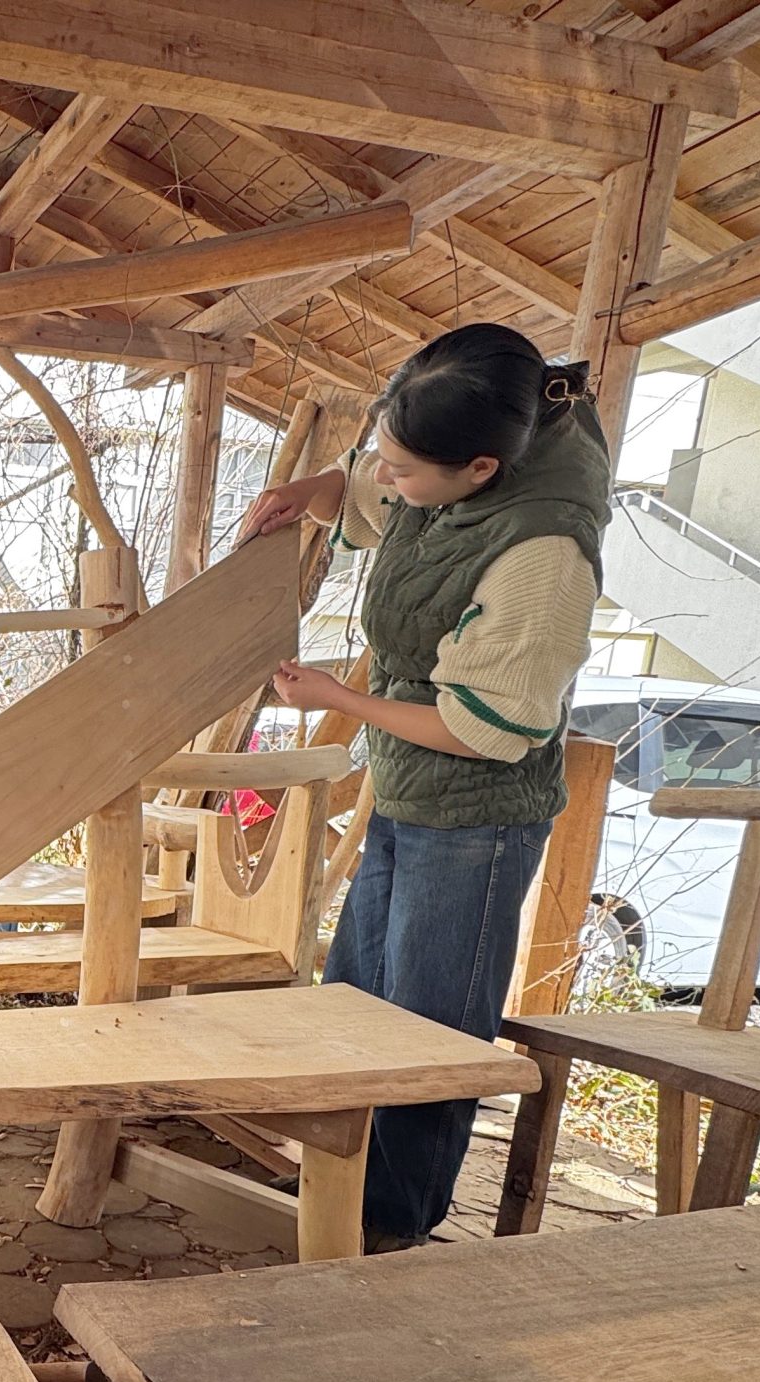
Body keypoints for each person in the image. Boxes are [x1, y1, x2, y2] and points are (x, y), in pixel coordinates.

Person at [237, 323, 611, 1250]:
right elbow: (370, 497)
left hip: (477, 821)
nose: (386, 479)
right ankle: (335, 1202)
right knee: (358, 996)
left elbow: (489, 729)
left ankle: (390, 1233)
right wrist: (312, 494)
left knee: (427, 1032)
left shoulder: (544, 557)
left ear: (481, 469)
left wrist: (340, 699)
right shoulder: (439, 454)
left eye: (405, 470)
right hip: (410, 796)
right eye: (384, 456)